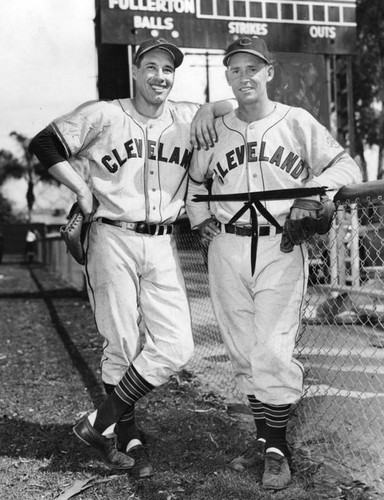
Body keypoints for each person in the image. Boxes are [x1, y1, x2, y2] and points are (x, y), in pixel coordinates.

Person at [29, 37, 234, 478]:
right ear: (136, 71)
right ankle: (125, 436)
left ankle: (97, 423)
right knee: (120, 343)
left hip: (162, 240)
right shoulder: (104, 114)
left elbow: (240, 107)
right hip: (111, 236)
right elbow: (45, 143)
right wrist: (81, 189)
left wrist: (207, 108)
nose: (161, 76)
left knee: (177, 344)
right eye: (153, 67)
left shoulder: (185, 115)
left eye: (169, 69)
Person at [185, 36, 362, 490]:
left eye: (252, 68)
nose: (244, 78)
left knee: (272, 350)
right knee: (243, 352)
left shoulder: (296, 120)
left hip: (280, 245)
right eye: (235, 70)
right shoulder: (214, 130)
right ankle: (267, 444)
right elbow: (196, 183)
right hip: (226, 247)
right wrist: (201, 218)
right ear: (228, 75)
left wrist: (314, 191)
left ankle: (278, 452)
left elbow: (347, 168)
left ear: (270, 72)